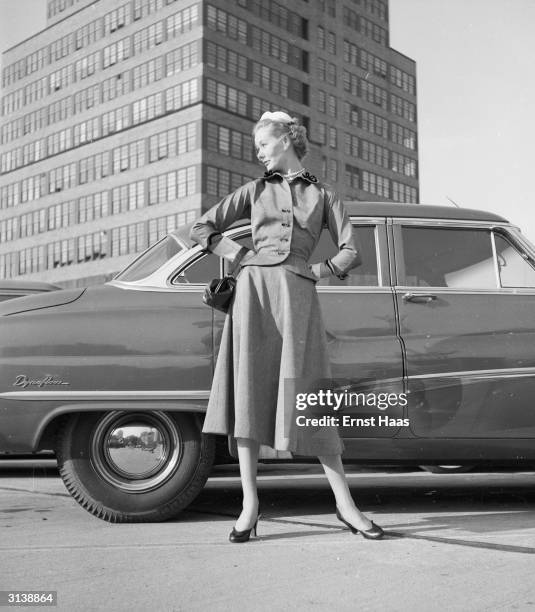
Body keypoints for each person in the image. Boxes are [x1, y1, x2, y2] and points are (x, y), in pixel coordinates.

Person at [189, 111, 384, 542]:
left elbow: (353, 248)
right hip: (253, 293)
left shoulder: (324, 194)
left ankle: (346, 506)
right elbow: (201, 227)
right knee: (250, 392)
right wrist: (240, 256)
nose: (258, 151)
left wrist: (321, 268)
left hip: (298, 294)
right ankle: (249, 506)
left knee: (308, 394)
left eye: (263, 143)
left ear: (288, 139)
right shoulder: (253, 190)